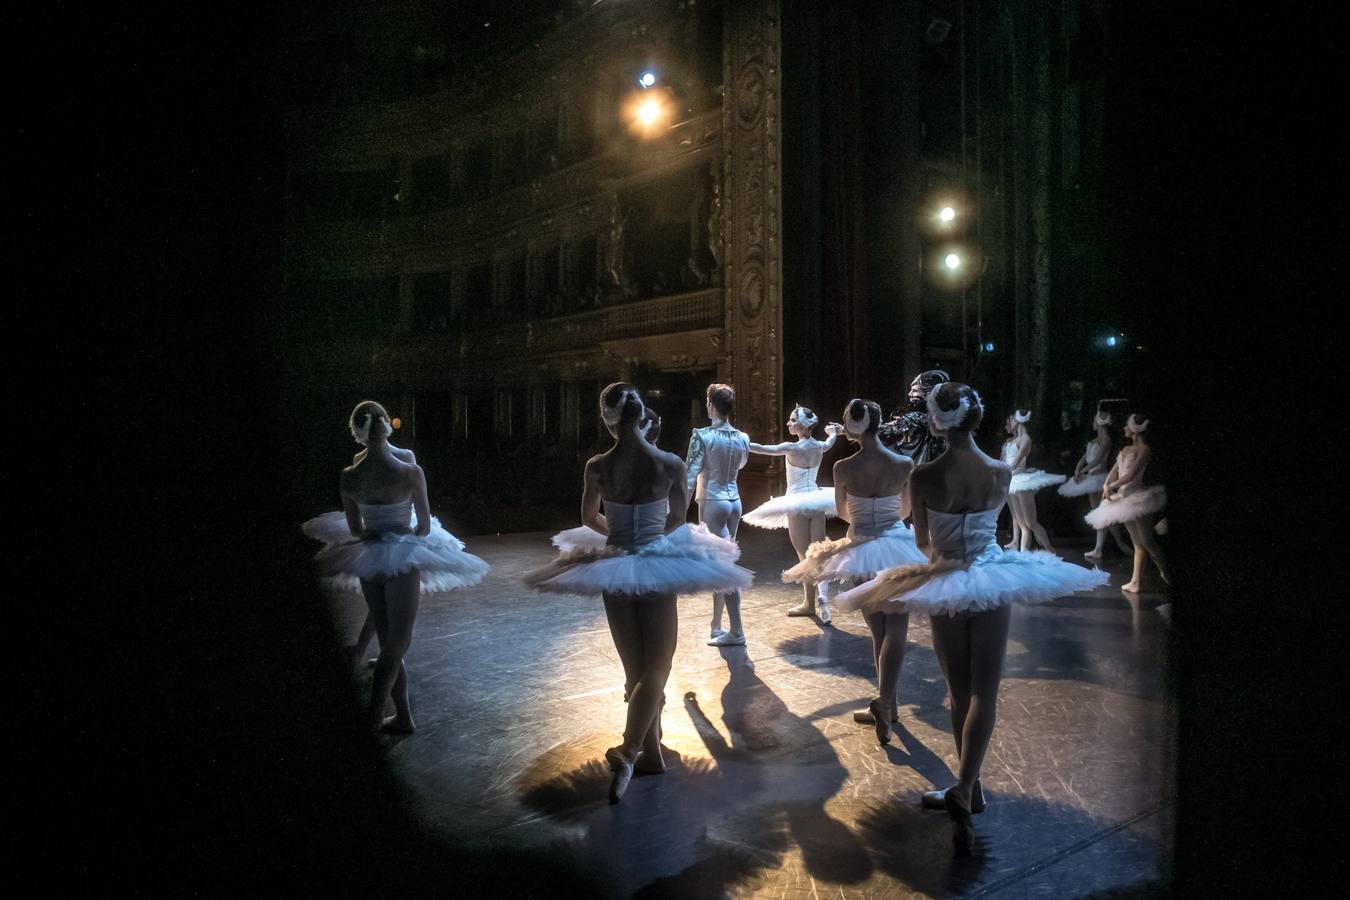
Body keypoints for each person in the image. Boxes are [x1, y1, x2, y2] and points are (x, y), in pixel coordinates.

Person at [834, 383, 1108, 855]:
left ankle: (968, 787)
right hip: (989, 576)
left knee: (958, 690)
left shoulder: (924, 475)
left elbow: (922, 543)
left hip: (947, 578)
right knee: (986, 690)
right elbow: (993, 527)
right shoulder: (999, 472)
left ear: (937, 421)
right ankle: (968, 785)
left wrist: (945, 551)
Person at [524, 384, 752, 803]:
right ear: (642, 413)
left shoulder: (597, 465)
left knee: (635, 670)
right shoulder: (667, 462)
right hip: (655, 562)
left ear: (608, 419)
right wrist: (649, 539)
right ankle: (632, 749)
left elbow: (588, 516)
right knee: (658, 667)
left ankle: (652, 755)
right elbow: (679, 519)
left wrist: (619, 536)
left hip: (615, 564)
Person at [302, 401, 489, 734]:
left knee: (388, 638)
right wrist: (408, 536)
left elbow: (356, 529)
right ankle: (374, 714)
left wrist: (376, 532)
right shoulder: (410, 471)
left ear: (357, 431)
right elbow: (424, 527)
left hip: (371, 553)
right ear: (387, 425)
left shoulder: (349, 475)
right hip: (401, 551)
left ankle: (402, 715)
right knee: (399, 638)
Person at [783, 399, 928, 734]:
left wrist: (864, 519)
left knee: (879, 631)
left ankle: (886, 704)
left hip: (861, 546)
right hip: (894, 546)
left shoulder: (843, 468)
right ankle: (886, 704)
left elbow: (843, 511)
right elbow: (905, 511)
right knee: (896, 630)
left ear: (852, 426)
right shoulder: (903, 463)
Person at [742, 405, 845, 622]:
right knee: (819, 553)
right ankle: (822, 600)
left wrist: (739, 441)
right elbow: (829, 442)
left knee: (803, 555)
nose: (788, 423)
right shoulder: (819, 446)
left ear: (802, 425)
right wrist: (834, 433)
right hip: (816, 501)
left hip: (797, 502)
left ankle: (810, 603)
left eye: (791, 420)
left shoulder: (792, 447)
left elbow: (763, 448)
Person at [686, 383, 752, 646]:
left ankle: (737, 631)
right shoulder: (742, 437)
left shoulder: (702, 435)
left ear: (711, 405)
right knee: (720, 564)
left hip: (713, 501)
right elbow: (742, 463)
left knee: (723, 567)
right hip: (734, 501)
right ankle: (717, 624)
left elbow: (690, 475)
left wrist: (675, 512)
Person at [1086, 413, 1170, 592]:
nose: (1124, 428)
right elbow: (1115, 470)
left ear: (1135, 429)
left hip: (1138, 498)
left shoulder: (1144, 450)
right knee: (1138, 543)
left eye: (1126, 425)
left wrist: (1112, 486)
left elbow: (1131, 474)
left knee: (1147, 542)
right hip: (1124, 499)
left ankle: (1166, 572)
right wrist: (1107, 484)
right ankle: (1136, 582)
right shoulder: (1124, 450)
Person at [1058, 408, 1129, 559]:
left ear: (1100, 423)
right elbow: (1084, 458)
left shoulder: (1106, 440)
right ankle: (1112, 543)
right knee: (1098, 513)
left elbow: (1097, 459)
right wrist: (1078, 469)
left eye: (1094, 421)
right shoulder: (1093, 441)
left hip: (1099, 478)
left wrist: (1082, 471)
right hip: (1090, 477)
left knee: (1101, 513)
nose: (1093, 424)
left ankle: (1108, 545)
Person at [1000, 410, 1065, 552]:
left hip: (1021, 482)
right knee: (1022, 522)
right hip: (1013, 482)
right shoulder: (1014, 440)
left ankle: (1049, 548)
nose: (1008, 423)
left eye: (1010, 420)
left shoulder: (1026, 440)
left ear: (1017, 421)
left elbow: (1016, 463)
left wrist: (1001, 472)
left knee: (1030, 522)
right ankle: (1023, 553)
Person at [878, 369, 952, 467]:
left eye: (915, 390)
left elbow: (880, 433)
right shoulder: (949, 417)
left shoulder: (915, 418)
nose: (910, 394)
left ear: (929, 392)